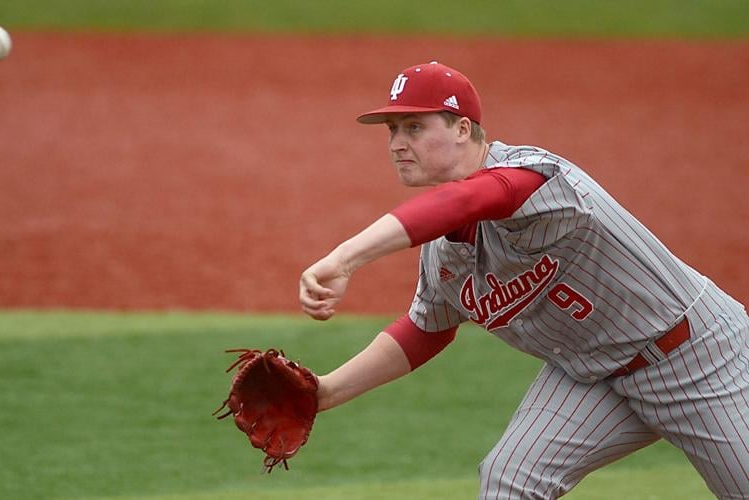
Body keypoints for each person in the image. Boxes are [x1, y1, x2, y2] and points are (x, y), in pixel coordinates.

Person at [298, 61, 749, 499]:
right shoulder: (444, 251)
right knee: (510, 479)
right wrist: (326, 391)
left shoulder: (537, 177)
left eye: (413, 127)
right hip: (592, 375)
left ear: (461, 128)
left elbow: (470, 199)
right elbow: (424, 330)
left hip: (697, 357)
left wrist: (345, 258)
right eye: (392, 130)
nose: (396, 143)